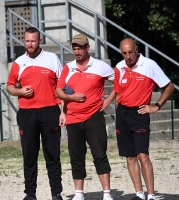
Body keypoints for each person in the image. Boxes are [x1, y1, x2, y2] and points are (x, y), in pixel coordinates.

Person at [6, 27, 65, 200]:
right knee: (29, 156)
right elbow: (10, 86)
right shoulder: (19, 62)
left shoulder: (52, 59)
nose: (30, 44)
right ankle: (30, 195)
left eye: (33, 41)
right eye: (27, 41)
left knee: (52, 155)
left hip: (50, 112)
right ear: (23, 41)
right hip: (27, 114)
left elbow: (61, 87)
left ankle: (56, 194)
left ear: (40, 41)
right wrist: (21, 92)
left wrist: (63, 112)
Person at [55, 33, 116, 200]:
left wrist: (108, 100)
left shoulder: (100, 66)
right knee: (76, 156)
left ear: (87, 48)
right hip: (73, 118)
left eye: (80, 48)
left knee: (99, 154)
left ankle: (107, 194)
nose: (77, 52)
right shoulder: (68, 68)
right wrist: (67, 104)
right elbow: (58, 91)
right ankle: (79, 193)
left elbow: (118, 82)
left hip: (93, 117)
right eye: (74, 49)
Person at [114, 38, 175, 200]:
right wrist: (118, 112)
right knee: (130, 156)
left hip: (140, 113)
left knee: (143, 155)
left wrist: (156, 106)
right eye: (124, 53)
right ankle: (139, 195)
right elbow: (118, 93)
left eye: (130, 52)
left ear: (136, 50)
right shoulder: (119, 67)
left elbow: (169, 87)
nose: (128, 56)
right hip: (122, 114)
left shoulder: (149, 65)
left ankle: (151, 195)